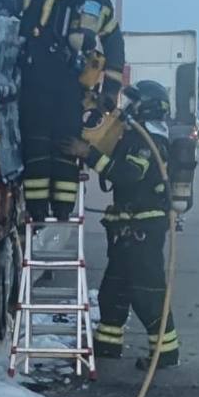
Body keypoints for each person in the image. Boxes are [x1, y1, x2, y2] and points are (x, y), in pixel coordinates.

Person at [0, 0, 124, 220]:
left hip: (36, 84)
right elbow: (115, 43)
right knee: (67, 148)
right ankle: (64, 213)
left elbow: (8, 3)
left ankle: (38, 213)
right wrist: (110, 91)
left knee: (37, 144)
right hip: (72, 89)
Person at [79, 79, 179, 368]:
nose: (126, 108)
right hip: (127, 228)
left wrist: (89, 155)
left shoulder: (150, 140)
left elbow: (129, 174)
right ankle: (107, 345)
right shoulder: (136, 134)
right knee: (114, 289)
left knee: (147, 292)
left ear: (145, 106)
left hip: (143, 229)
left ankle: (165, 352)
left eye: (132, 102)